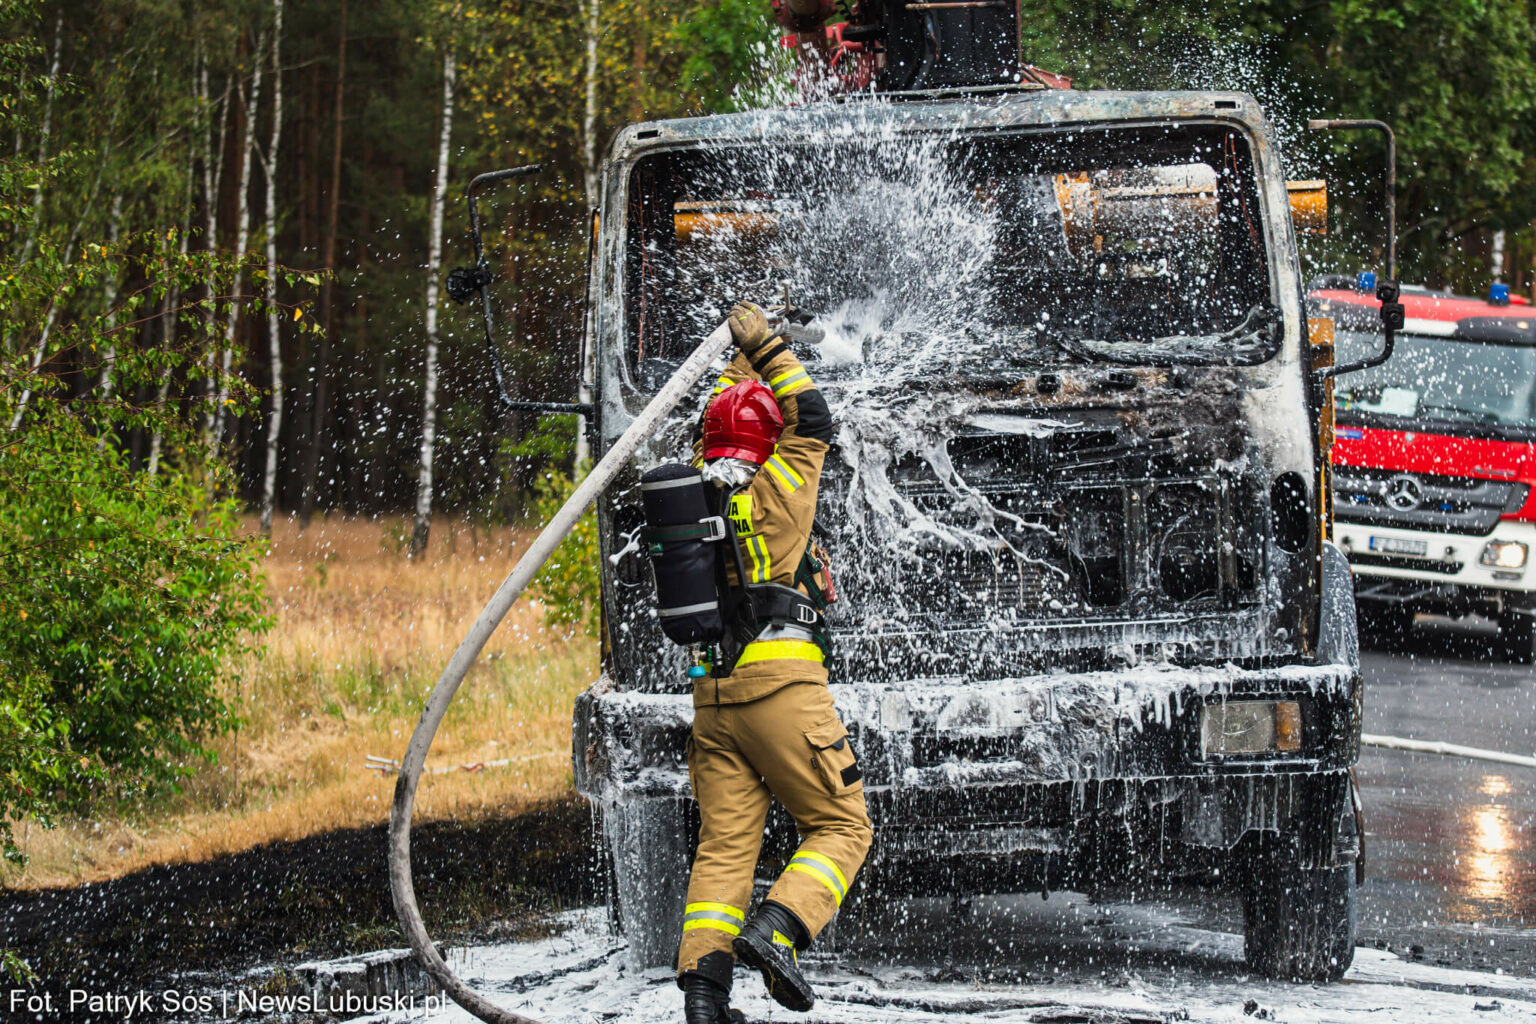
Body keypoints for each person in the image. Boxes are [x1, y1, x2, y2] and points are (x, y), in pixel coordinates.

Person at [677, 302, 874, 1024]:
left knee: (726, 846)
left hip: (712, 696)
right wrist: (770, 347)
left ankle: (705, 998)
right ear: (770, 440)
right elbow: (813, 419)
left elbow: (719, 419)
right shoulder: (778, 488)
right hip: (781, 688)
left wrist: (740, 353)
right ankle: (781, 928)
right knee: (843, 825)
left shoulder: (695, 491)